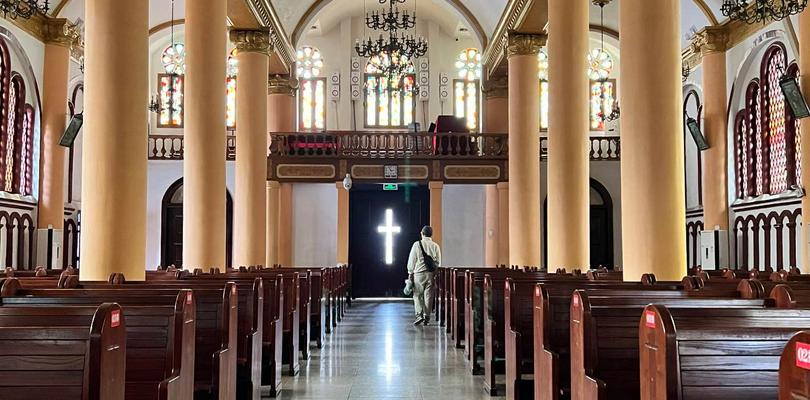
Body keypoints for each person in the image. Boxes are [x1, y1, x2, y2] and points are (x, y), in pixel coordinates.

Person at [407, 225, 441, 326]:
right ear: (431, 235)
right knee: (429, 296)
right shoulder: (435, 246)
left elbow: (412, 260)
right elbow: (438, 262)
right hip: (431, 274)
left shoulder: (417, 245)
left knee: (417, 295)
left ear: (422, 233)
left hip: (419, 274)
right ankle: (427, 317)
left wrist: (410, 272)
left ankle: (419, 315)